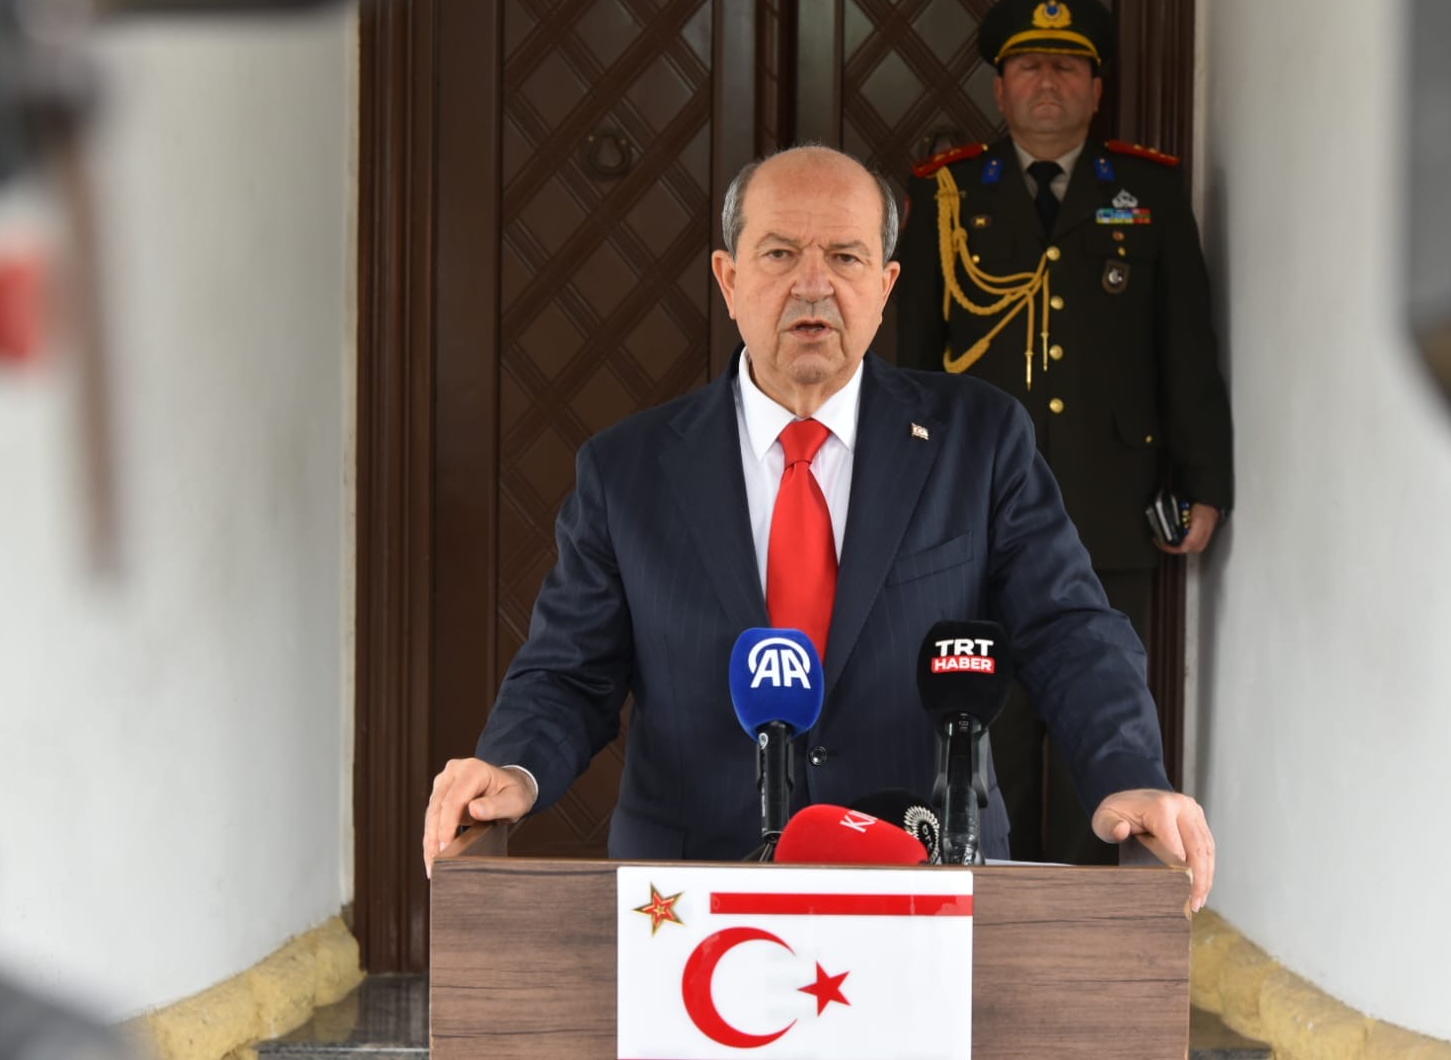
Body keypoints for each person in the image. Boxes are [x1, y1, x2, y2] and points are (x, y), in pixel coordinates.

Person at [423, 144, 1213, 911]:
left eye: (845, 257)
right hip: (695, 894)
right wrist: (510, 768)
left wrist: (1128, 771)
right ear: (728, 280)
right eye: (778, 254)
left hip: (923, 874)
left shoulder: (979, 439)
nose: (813, 285)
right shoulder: (625, 469)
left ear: (885, 283)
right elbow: (570, 672)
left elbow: (1067, 630)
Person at [893, 0, 1235, 866]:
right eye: (1028, 67)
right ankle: (990, 894)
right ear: (999, 88)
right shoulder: (947, 194)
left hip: (1109, 497)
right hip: (969, 503)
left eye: (1066, 67)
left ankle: (1079, 913)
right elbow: (913, 359)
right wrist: (906, 493)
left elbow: (1185, 346)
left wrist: (1203, 483)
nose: (1046, 83)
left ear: (1095, 87)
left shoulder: (1146, 191)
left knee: (1098, 708)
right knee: (987, 722)